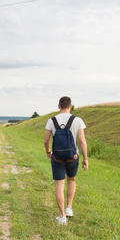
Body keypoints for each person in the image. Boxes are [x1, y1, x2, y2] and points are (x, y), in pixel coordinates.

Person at [44, 96, 88, 225]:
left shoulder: (51, 121)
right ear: (71, 106)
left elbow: (46, 140)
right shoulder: (77, 120)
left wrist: (48, 152)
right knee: (71, 180)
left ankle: (62, 216)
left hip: (57, 157)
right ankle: (69, 208)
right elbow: (81, 141)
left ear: (58, 106)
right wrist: (85, 158)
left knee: (59, 184)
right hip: (73, 156)